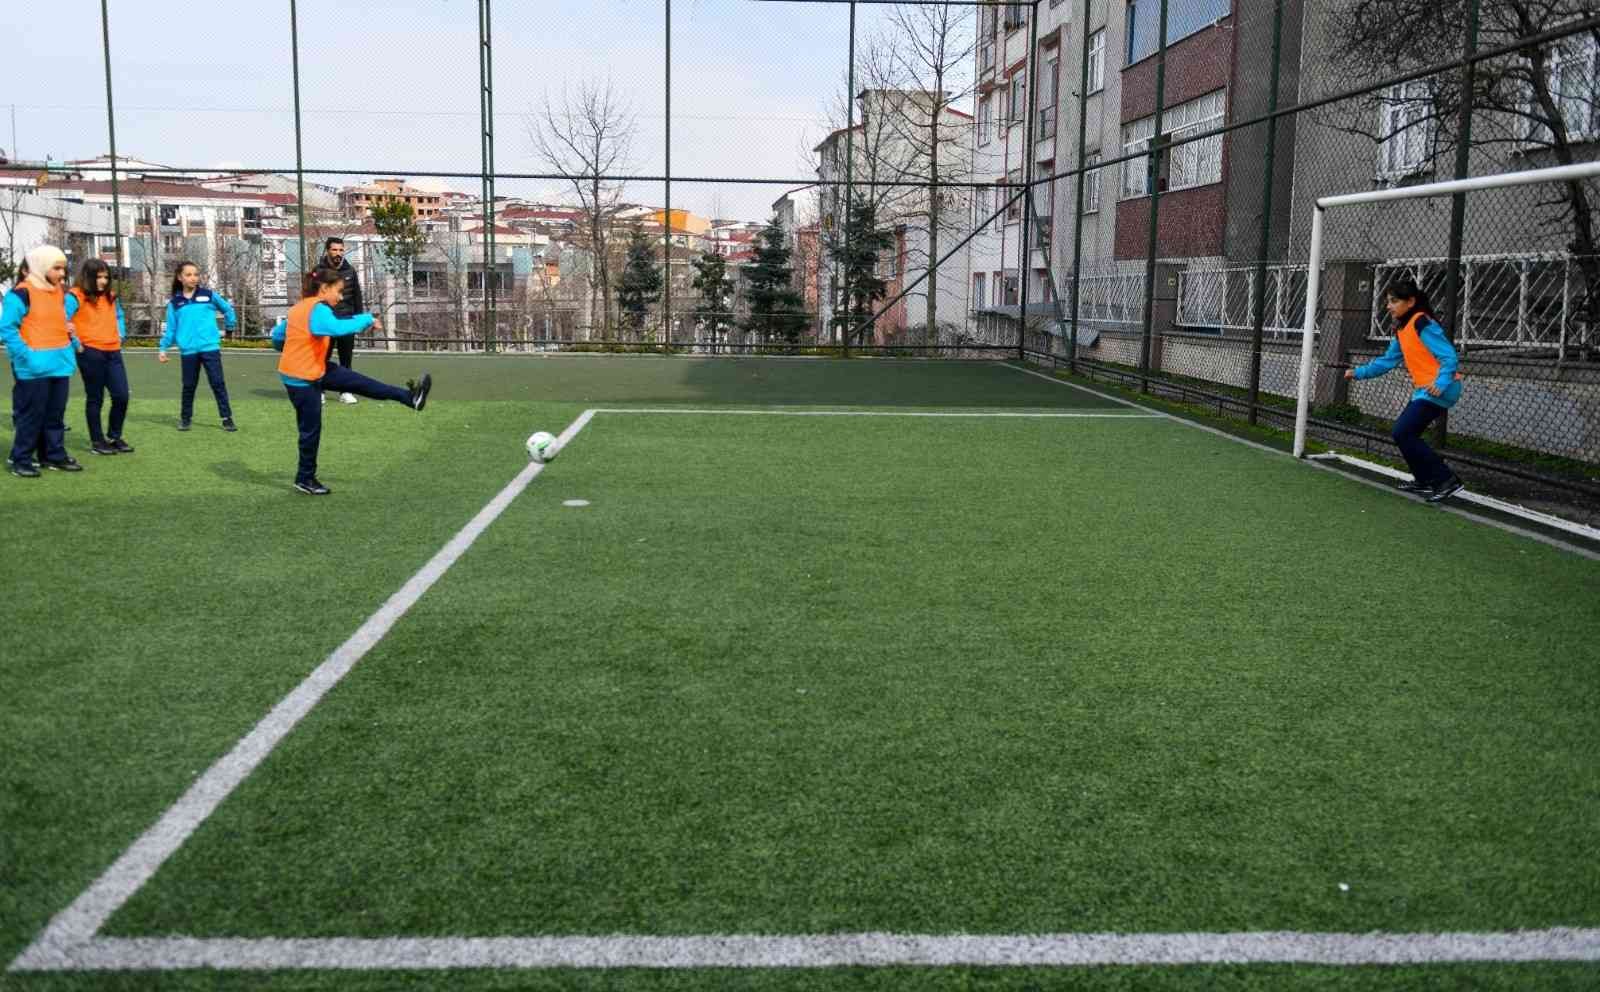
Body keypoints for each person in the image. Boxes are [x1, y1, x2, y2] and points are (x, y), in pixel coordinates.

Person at [271, 268, 432, 495]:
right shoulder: (318, 310)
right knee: (310, 430)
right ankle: (304, 478)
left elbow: (277, 337)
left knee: (359, 382)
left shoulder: (300, 307)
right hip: (301, 379)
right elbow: (337, 328)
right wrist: (366, 318)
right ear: (324, 289)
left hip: (314, 369)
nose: (340, 297)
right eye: (338, 291)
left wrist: (290, 346)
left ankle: (410, 398)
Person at [1345, 279, 1464, 503]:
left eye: (1394, 301)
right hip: (1425, 390)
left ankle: (1447, 480)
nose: (1388, 306)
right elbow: (1388, 361)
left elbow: (1449, 356)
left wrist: (1440, 384)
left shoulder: (1422, 323)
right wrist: (1358, 372)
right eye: (1387, 301)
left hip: (1441, 388)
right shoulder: (1402, 329)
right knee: (1403, 435)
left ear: (1411, 302)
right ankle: (1424, 480)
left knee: (1403, 432)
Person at [3, 245, 82, 477]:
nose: (62, 274)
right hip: (33, 366)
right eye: (56, 268)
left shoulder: (58, 291)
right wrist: (26, 355)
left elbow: (57, 320)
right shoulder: (20, 294)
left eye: (63, 268)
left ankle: (53, 455)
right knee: (31, 416)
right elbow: (6, 328)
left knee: (55, 415)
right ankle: (22, 460)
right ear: (41, 266)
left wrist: (69, 335)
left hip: (60, 363)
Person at [158, 261, 237, 432]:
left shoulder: (209, 295)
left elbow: (228, 310)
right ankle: (185, 419)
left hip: (210, 348)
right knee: (188, 386)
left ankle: (227, 418)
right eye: (188, 274)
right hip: (188, 352)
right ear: (180, 278)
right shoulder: (175, 303)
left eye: (195, 274)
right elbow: (171, 329)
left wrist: (229, 329)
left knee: (217, 383)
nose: (193, 278)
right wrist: (163, 348)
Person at [66, 258, 133, 454]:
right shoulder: (74, 296)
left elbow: (119, 316)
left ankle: (114, 436)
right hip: (89, 352)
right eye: (99, 277)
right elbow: (63, 320)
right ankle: (97, 442)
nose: (103, 281)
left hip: (113, 351)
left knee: (121, 395)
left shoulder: (111, 296)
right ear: (88, 277)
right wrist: (76, 344)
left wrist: (120, 334)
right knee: (95, 398)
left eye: (106, 277)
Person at [319, 236, 363, 405]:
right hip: (326, 323)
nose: (338, 253)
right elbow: (311, 297)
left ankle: (345, 391)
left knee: (346, 359)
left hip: (346, 322)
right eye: (334, 249)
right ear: (327, 251)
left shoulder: (350, 271)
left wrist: (358, 320)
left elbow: (357, 297)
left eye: (341, 250)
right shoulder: (318, 271)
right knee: (322, 358)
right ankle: (320, 390)